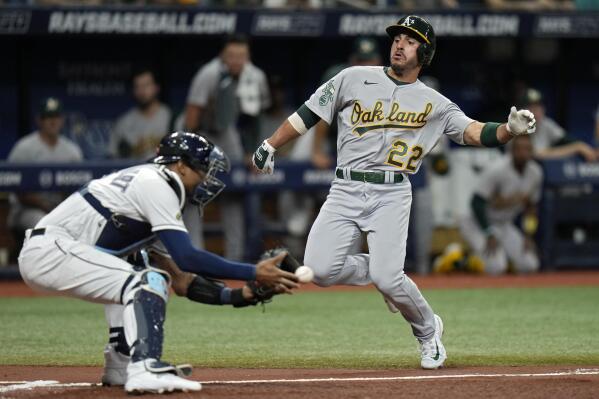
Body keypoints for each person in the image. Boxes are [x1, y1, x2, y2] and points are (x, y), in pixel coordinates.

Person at [251, 15, 536, 369]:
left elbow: (475, 132)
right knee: (321, 271)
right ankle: (381, 270)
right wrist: (270, 144)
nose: (400, 44)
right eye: (398, 37)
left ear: (425, 52)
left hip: (392, 193)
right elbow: (309, 113)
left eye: (411, 40)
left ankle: (429, 331)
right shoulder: (353, 77)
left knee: (389, 277)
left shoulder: (434, 102)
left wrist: (509, 129)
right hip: (345, 186)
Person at [18, 132, 299, 394]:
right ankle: (145, 367)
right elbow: (187, 256)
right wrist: (253, 270)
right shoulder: (156, 182)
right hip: (50, 250)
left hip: (57, 251)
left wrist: (244, 294)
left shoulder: (153, 192)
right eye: (203, 168)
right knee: (146, 282)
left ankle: (121, 364)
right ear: (180, 166)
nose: (206, 178)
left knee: (140, 268)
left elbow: (182, 280)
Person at [184, 34, 270, 261]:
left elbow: (256, 119)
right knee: (195, 193)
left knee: (234, 193)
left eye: (241, 56)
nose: (236, 60)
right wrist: (190, 153)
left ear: (248, 56)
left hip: (228, 134)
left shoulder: (255, 76)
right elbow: (192, 116)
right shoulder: (209, 74)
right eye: (232, 55)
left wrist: (252, 151)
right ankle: (195, 257)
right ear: (223, 55)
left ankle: (235, 258)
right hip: (202, 133)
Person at [457, 135, 542, 275]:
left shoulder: (536, 173)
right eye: (519, 149)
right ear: (511, 150)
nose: (523, 153)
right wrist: (488, 233)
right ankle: (463, 260)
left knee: (530, 264)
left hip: (504, 223)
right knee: (496, 267)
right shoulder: (497, 169)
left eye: (527, 149)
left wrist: (528, 234)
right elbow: (476, 203)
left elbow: (531, 208)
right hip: (478, 223)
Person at [7, 97, 83, 235]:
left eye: (56, 116)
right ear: (39, 120)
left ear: (62, 120)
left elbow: (78, 189)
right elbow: (19, 192)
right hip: (29, 210)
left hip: (61, 208)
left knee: (81, 225)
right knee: (44, 224)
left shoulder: (72, 151)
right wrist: (48, 208)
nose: (53, 121)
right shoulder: (24, 148)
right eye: (48, 117)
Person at [110, 68, 172, 160]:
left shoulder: (171, 117)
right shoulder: (124, 122)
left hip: (164, 171)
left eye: (146, 85)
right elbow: (112, 156)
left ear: (156, 88)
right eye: (137, 87)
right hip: (135, 171)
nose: (142, 91)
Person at [523, 88, 598, 162]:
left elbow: (566, 140)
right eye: (531, 107)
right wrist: (577, 148)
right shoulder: (517, 126)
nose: (535, 111)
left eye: (538, 107)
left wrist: (582, 146)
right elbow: (536, 155)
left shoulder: (545, 123)